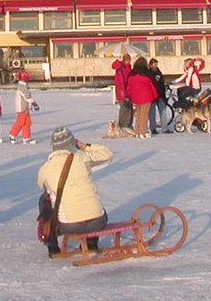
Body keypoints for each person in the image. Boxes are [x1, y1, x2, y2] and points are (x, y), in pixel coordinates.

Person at [37, 127, 114, 256]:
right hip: (97, 221)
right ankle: (91, 243)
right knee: (90, 201)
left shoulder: (45, 169)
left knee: (44, 199)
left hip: (69, 226)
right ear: (72, 142)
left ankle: (52, 245)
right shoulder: (82, 158)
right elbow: (107, 154)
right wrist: (84, 146)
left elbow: (44, 187)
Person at [127, 56, 158, 138]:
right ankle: (143, 131)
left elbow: (129, 87)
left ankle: (137, 131)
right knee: (144, 115)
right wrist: (155, 96)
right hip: (146, 97)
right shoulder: (147, 74)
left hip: (135, 97)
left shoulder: (131, 75)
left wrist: (129, 95)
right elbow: (152, 86)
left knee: (138, 114)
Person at [8, 71, 37, 144]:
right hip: (22, 108)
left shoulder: (23, 86)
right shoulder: (22, 87)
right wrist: (34, 103)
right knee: (20, 122)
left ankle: (26, 138)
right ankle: (12, 134)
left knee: (27, 123)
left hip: (25, 107)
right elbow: (27, 97)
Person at [148, 58, 171, 134]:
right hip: (152, 95)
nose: (155, 66)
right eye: (153, 64)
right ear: (150, 65)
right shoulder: (149, 73)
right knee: (152, 113)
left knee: (163, 111)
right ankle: (153, 128)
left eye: (156, 64)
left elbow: (160, 83)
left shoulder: (159, 72)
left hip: (160, 94)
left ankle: (165, 128)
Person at [112, 53, 133, 130]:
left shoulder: (127, 68)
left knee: (129, 109)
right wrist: (124, 94)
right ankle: (122, 126)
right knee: (124, 110)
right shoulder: (121, 69)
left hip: (127, 91)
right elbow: (121, 83)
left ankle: (127, 125)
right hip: (123, 93)